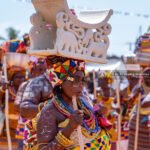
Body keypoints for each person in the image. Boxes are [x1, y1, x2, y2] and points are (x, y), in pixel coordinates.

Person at [36, 56, 111, 150]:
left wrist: (97, 112)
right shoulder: (49, 111)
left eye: (82, 80)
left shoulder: (84, 100)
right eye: (75, 79)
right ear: (60, 82)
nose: (81, 85)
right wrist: (69, 128)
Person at [14, 57, 47, 150]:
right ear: (32, 71)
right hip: (26, 124)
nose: (43, 72)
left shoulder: (49, 86)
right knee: (24, 147)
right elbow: (17, 106)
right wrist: (38, 108)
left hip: (43, 125)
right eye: (40, 69)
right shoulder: (25, 85)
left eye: (45, 70)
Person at [0, 65, 26, 148]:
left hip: (22, 124)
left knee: (19, 146)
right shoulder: (7, 90)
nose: (20, 79)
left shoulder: (28, 90)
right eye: (17, 77)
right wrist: (2, 89)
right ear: (12, 79)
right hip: (7, 124)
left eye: (22, 77)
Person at [128, 68, 150, 150]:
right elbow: (129, 103)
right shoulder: (138, 87)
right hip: (137, 121)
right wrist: (136, 94)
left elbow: (145, 104)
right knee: (134, 146)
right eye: (147, 74)